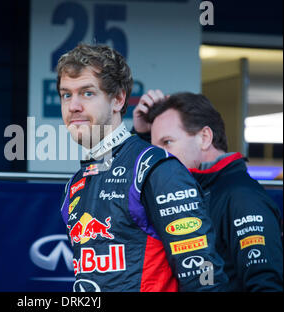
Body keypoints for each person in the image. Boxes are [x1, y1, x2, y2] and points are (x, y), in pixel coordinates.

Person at [57, 43, 228, 292]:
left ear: (118, 99)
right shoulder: (76, 183)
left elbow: (203, 274)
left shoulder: (156, 169)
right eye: (66, 94)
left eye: (87, 93)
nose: (73, 106)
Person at [132, 90, 283, 291]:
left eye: (167, 142)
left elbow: (266, 285)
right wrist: (140, 134)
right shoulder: (184, 193)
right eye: (155, 148)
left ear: (204, 137)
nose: (159, 156)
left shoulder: (242, 197)